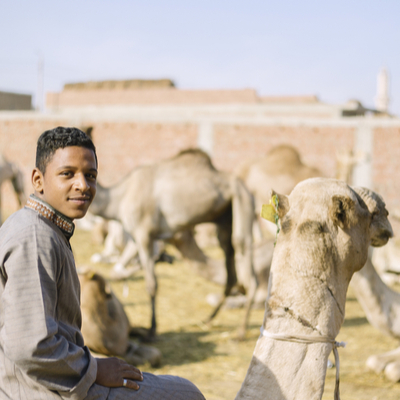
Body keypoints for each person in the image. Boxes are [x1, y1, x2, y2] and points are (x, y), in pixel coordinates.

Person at [0, 127, 205, 400]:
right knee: (186, 395)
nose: (83, 185)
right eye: (67, 174)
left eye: (91, 175)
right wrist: (93, 368)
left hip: (51, 380)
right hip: (42, 390)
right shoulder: (35, 237)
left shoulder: (45, 229)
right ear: (38, 180)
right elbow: (31, 346)